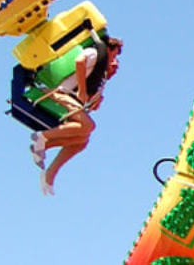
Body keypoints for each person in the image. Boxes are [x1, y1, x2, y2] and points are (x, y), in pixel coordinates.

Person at [29, 36, 123, 194]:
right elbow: (80, 61)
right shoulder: (95, 53)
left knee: (82, 141)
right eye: (114, 56)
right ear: (108, 49)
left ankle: (49, 171)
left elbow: (89, 104)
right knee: (89, 126)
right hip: (58, 93)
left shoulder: (100, 76)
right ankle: (42, 137)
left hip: (70, 102)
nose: (114, 61)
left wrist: (97, 96)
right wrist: (82, 90)